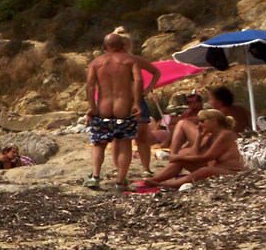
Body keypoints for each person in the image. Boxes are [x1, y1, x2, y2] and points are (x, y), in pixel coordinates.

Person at [83, 31, 162, 190]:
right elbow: (139, 80)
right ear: (121, 45)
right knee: (125, 143)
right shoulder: (130, 60)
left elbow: (90, 86)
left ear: (105, 46)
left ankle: (95, 177)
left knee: (99, 143)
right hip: (123, 108)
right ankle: (120, 181)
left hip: (103, 108)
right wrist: (137, 103)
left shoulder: (96, 63)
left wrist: (92, 107)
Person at [130, 87, 246, 190]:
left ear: (214, 121)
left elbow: (205, 157)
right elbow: (197, 155)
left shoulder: (225, 135)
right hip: (216, 168)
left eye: (203, 121)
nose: (200, 124)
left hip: (232, 172)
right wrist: (199, 138)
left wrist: (172, 156)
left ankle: (169, 185)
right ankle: (155, 180)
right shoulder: (213, 136)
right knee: (182, 160)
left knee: (203, 170)